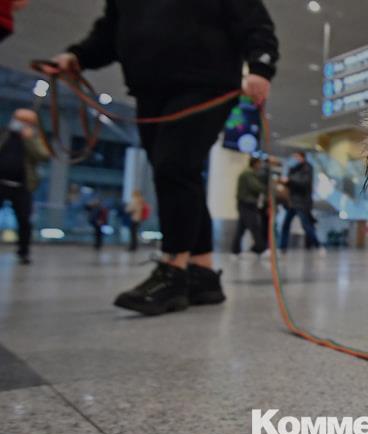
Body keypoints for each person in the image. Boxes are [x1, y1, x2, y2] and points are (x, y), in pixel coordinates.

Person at [48, 0, 279, 315]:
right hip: (148, 88)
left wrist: (261, 67)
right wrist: (77, 56)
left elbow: (255, 22)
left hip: (206, 83)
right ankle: (202, 272)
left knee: (174, 166)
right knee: (178, 171)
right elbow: (110, 32)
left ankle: (173, 270)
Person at [0, 108, 47, 264]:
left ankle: (23, 252)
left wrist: (29, 139)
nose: (21, 124)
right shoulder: (5, 134)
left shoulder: (34, 138)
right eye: (19, 120)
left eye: (26, 122)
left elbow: (43, 155)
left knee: (24, 220)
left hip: (22, 185)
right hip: (1, 182)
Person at [279, 151, 321, 251]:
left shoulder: (307, 168)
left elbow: (304, 183)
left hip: (302, 202)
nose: (294, 159)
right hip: (292, 202)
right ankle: (282, 247)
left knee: (306, 225)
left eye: (296, 157)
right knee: (285, 225)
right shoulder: (292, 169)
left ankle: (318, 245)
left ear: (302, 157)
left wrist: (289, 180)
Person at [231, 157, 268, 256]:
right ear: (254, 163)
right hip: (247, 204)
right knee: (255, 226)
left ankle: (235, 250)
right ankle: (261, 248)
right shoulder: (248, 173)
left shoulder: (249, 173)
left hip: (245, 203)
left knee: (241, 228)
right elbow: (255, 187)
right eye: (259, 163)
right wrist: (267, 188)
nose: (260, 166)